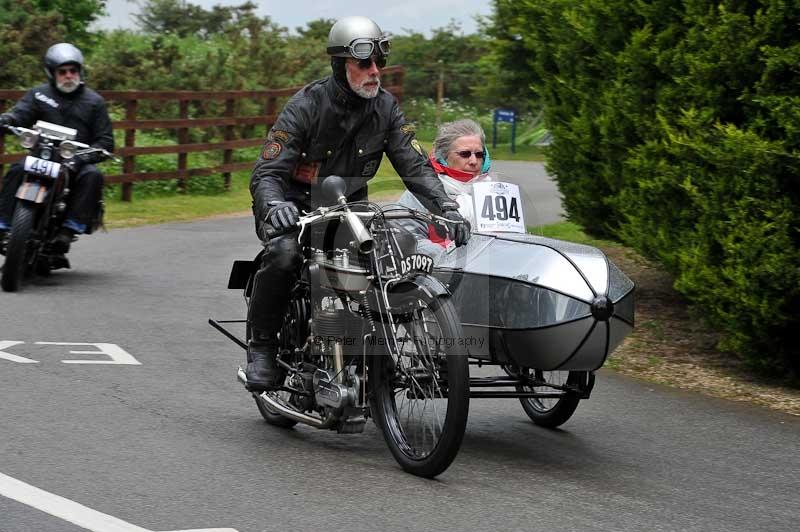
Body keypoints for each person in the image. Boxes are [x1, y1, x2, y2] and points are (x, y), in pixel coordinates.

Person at [246, 16, 470, 390]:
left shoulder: (386, 108)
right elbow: (267, 172)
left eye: (378, 63)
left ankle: (392, 347)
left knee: (399, 247)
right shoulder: (305, 106)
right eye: (364, 63)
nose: (374, 71)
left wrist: (445, 207)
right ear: (340, 64)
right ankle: (263, 347)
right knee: (284, 255)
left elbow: (415, 166)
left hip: (349, 209)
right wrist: (273, 206)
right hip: (294, 207)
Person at [0, 43, 114, 254]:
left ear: (80, 72)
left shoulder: (94, 102)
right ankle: (3, 225)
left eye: (73, 71)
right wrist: (7, 119)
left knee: (93, 176)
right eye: (62, 72)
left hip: (76, 160)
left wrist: (81, 158)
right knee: (17, 169)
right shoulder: (39, 95)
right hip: (42, 155)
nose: (69, 76)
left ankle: (70, 229)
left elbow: (105, 141)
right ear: (52, 74)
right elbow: (20, 114)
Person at [396, 118, 492, 259]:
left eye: (479, 155)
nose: (473, 161)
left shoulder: (495, 190)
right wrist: (446, 257)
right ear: (443, 156)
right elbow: (407, 240)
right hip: (439, 274)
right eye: (465, 154)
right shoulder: (420, 192)